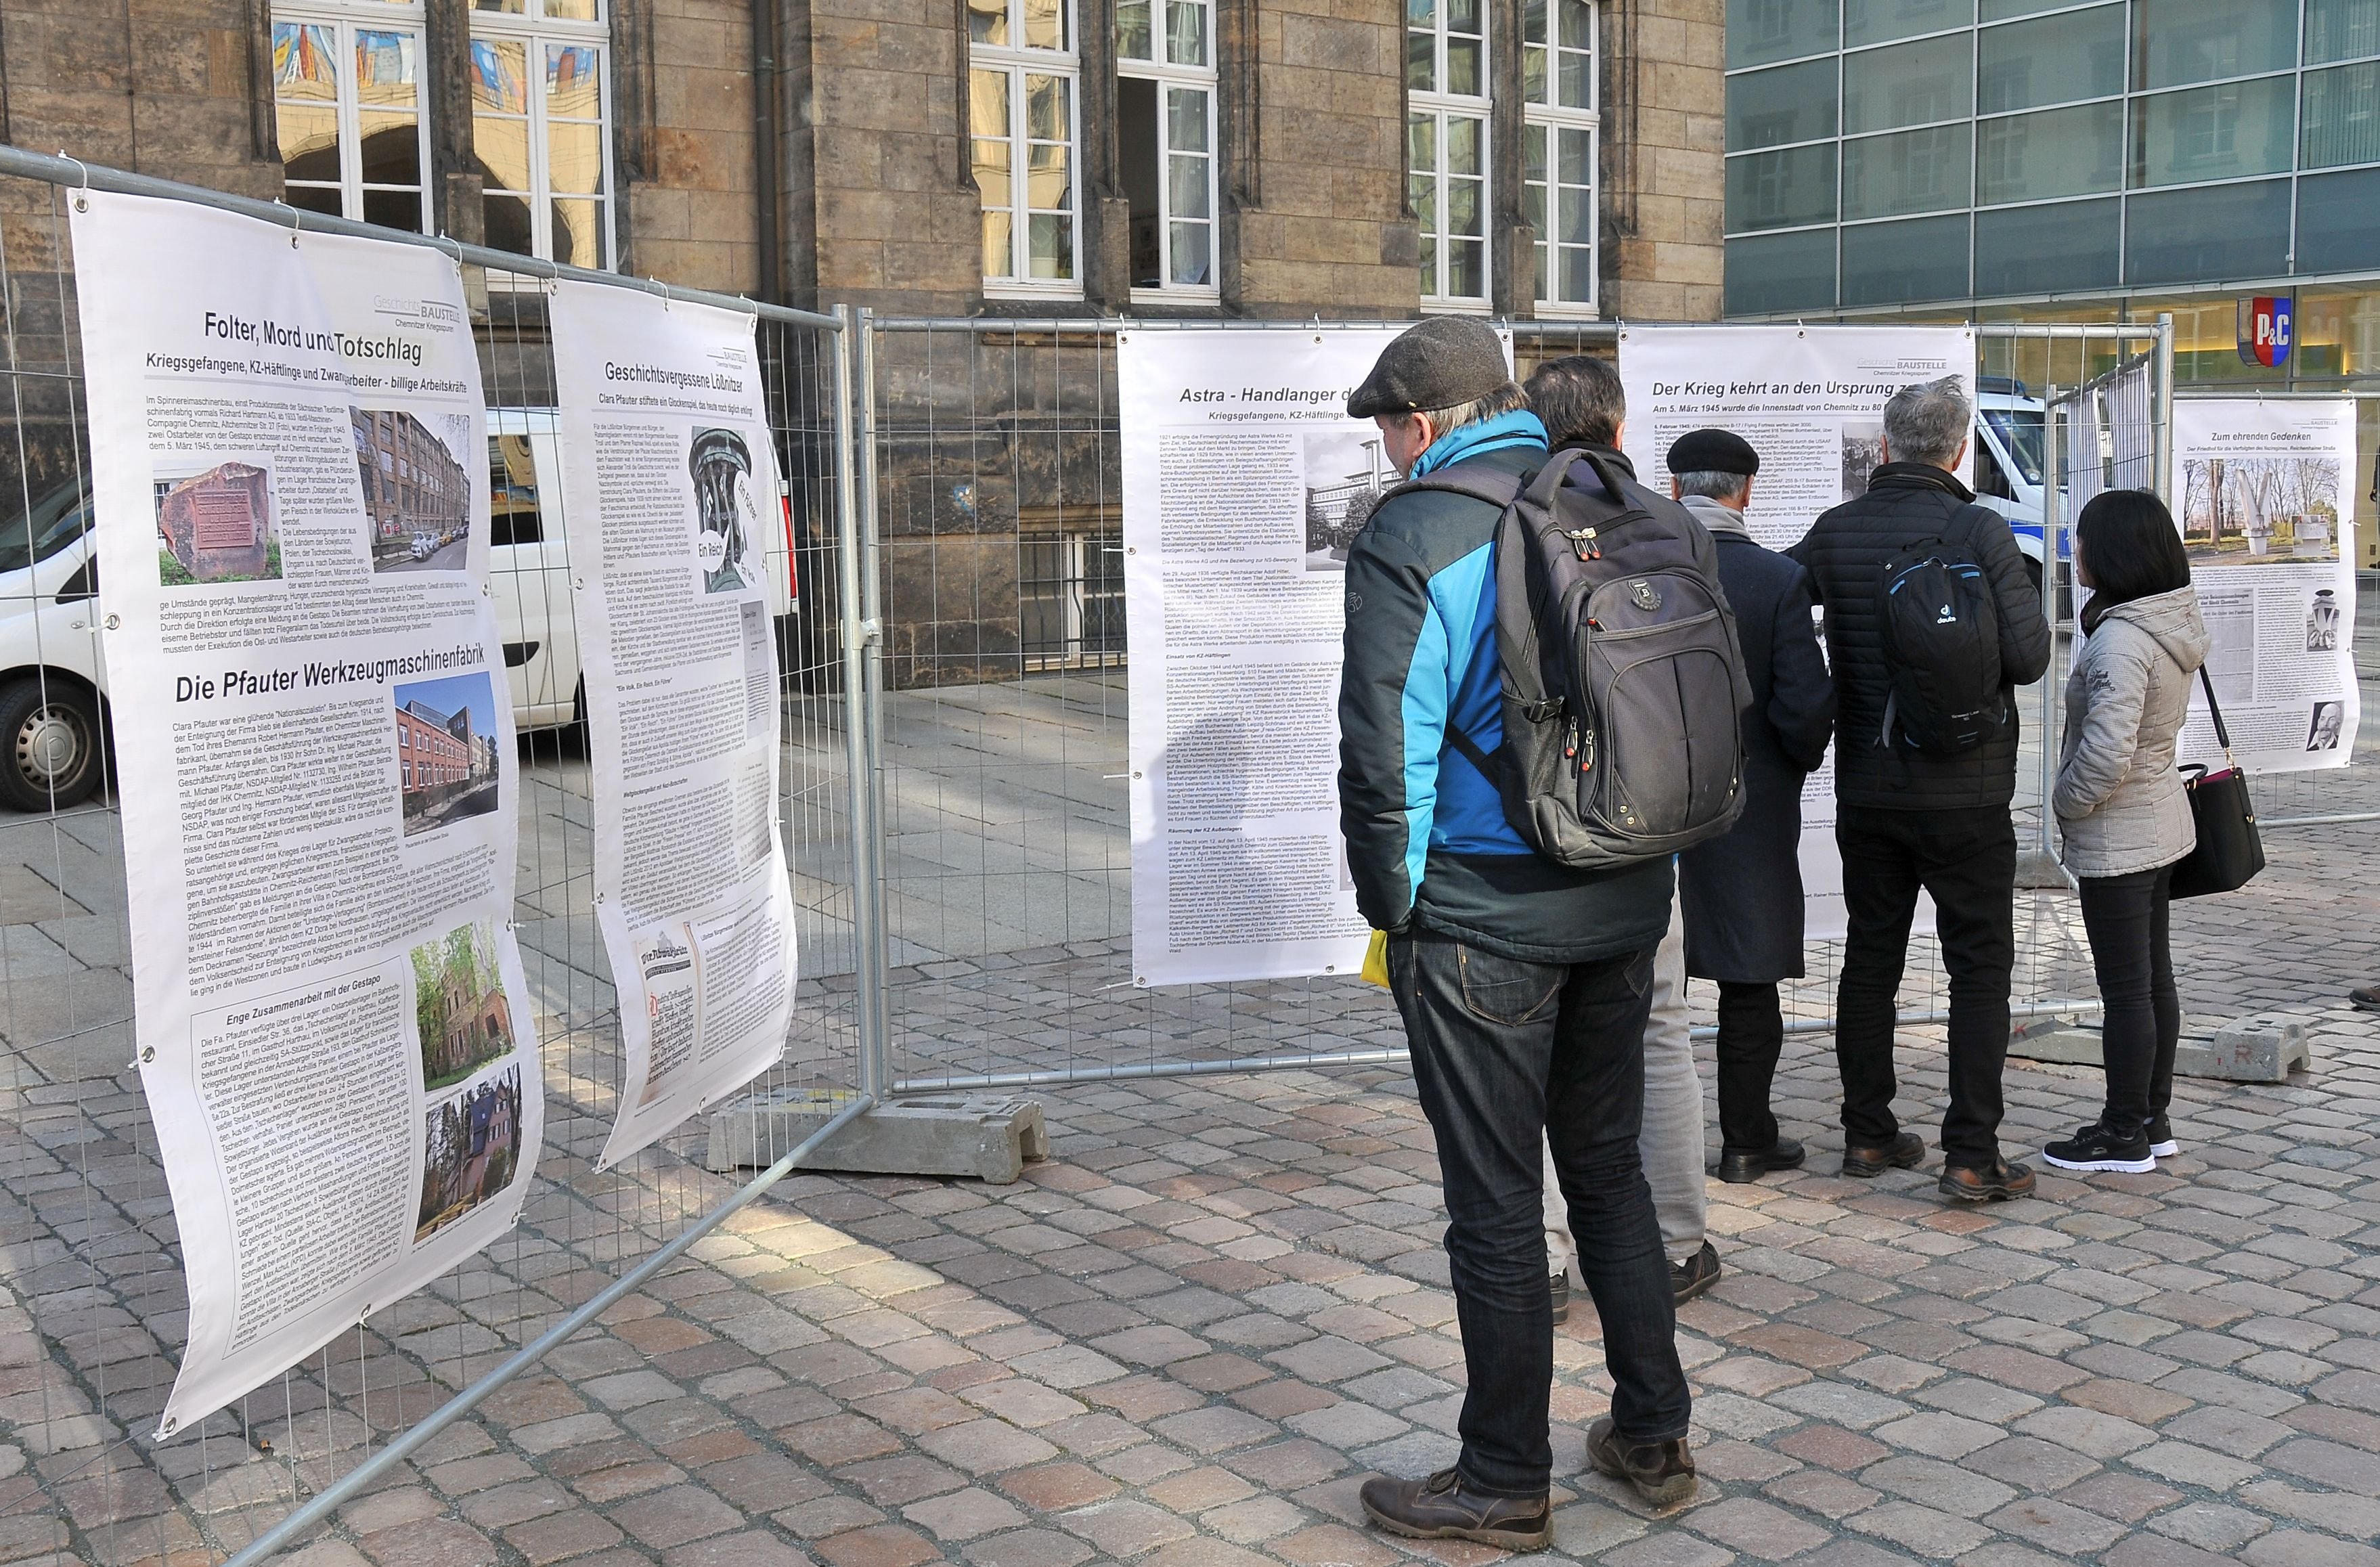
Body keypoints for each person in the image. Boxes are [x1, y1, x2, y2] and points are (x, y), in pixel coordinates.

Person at [1340, 321, 1694, 1551]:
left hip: (1483, 913)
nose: (1384, 449)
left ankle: (1502, 1478)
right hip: (1628, 893)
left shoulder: (1419, 527)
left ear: (1425, 424)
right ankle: (1652, 1432)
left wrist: (1393, 912)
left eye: (1386, 426)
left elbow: (1384, 746)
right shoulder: (1620, 501)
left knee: (1493, 1204)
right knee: (1606, 1171)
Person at [1790, 376, 2052, 1202]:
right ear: (1960, 448)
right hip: (1968, 789)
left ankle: (1868, 1135)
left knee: (1872, 953)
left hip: (1870, 783)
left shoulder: (1835, 531)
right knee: (1979, 965)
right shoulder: (1978, 527)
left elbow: (1781, 618)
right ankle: (1971, 1152)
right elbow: (2031, 657)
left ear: (1887, 445)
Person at [1523, 357, 1717, 1312]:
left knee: (1542, 1056)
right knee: (1664, 1033)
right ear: (1620, 424)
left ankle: (1551, 1260)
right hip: (1659, 826)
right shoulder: (1673, 520)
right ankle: (1680, 1241)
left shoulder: (1522, 516)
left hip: (1557, 820)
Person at [1665, 429, 1834, 1183]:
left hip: (1642, 803)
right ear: (1746, 491)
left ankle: (1636, 1145)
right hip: (1747, 800)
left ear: (1675, 491)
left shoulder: (1637, 570)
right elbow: (1805, 707)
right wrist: (1784, 769)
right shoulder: (1775, 579)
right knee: (1747, 977)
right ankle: (1746, 1138)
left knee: (1632, 982)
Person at [2044, 491, 2205, 1172]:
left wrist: (2065, 801)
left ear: (2112, 552)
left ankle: (2123, 1132)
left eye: (2081, 540)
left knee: (2128, 990)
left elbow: (2106, 753)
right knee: (2151, 980)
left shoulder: (2119, 639)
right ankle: (2152, 1116)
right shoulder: (2165, 618)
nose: (2072, 552)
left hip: (2121, 834)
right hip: (2160, 819)